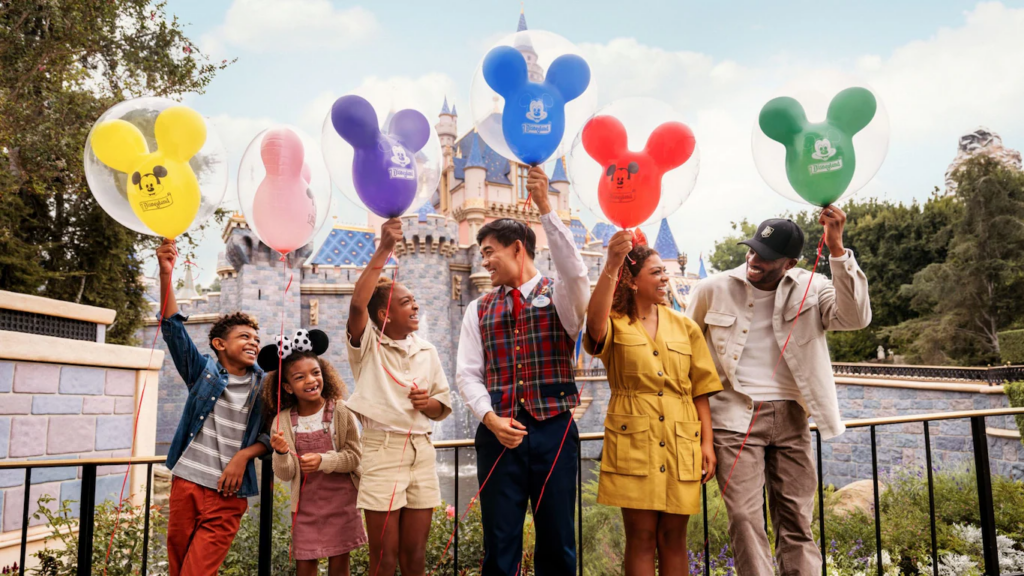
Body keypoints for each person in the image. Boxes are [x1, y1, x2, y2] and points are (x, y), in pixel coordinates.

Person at [686, 208, 871, 576]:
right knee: (743, 517)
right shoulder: (712, 289)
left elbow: (854, 318)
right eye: (752, 250)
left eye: (766, 257)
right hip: (732, 415)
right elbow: (686, 352)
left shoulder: (813, 287)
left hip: (791, 415)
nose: (754, 260)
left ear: (790, 262)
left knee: (797, 520)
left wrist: (837, 250)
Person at [456, 166, 591, 576]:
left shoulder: (562, 297)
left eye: (489, 252)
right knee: (499, 546)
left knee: (558, 543)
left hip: (554, 432)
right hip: (498, 437)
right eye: (480, 255)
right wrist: (492, 420)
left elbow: (577, 272)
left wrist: (548, 208)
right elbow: (467, 374)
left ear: (517, 248)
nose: (485, 262)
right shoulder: (477, 308)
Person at [584, 233, 723, 576]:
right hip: (634, 441)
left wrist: (707, 443)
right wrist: (612, 264)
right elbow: (593, 329)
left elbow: (700, 390)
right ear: (631, 281)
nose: (665, 278)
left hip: (681, 441)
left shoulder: (686, 327)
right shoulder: (614, 322)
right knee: (642, 537)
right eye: (656, 272)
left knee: (674, 537)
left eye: (666, 271)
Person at [155, 238, 271, 576]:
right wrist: (166, 273)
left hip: (227, 495)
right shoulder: (203, 373)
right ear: (220, 344)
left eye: (256, 338)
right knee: (179, 569)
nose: (253, 342)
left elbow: (274, 432)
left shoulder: (265, 385)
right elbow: (172, 329)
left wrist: (244, 455)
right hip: (186, 484)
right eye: (244, 337)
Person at [347, 217, 453, 576]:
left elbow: (441, 408)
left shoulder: (427, 352)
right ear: (384, 314)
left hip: (422, 450)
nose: (416, 306)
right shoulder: (367, 347)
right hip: (382, 450)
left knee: (415, 557)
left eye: (415, 301)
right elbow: (356, 307)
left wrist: (429, 403)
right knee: (383, 558)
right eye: (406, 301)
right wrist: (384, 249)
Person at [264, 329, 366, 576]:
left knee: (340, 566)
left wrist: (323, 460)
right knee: (305, 563)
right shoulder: (282, 421)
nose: (310, 380)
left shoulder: (341, 411)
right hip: (306, 506)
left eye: (315, 373)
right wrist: (280, 453)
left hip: (342, 502)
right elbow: (287, 474)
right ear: (287, 387)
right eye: (300, 377)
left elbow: (354, 457)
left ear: (324, 375)